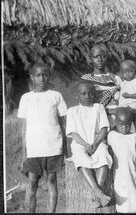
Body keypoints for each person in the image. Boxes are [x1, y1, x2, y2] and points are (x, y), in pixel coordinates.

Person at [18, 62, 68, 213]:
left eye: (45, 75)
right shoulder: (26, 98)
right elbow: (23, 129)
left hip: (53, 146)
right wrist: (23, 155)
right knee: (32, 183)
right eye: (38, 75)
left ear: (49, 76)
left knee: (52, 181)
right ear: (32, 77)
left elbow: (63, 124)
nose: (42, 78)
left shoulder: (55, 96)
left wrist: (65, 150)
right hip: (34, 149)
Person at [66, 80, 113, 208]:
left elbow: (104, 128)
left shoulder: (99, 108)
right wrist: (86, 145)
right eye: (83, 94)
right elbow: (73, 133)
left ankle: (96, 197)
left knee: (104, 155)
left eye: (91, 94)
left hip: (97, 142)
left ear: (95, 95)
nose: (87, 96)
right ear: (77, 96)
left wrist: (96, 143)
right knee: (80, 158)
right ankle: (98, 192)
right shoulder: (72, 111)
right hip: (80, 144)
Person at [107, 107, 136, 213]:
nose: (124, 127)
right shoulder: (111, 136)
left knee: (135, 201)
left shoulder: (135, 137)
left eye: (128, 124)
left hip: (133, 174)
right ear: (115, 123)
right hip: (118, 176)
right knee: (123, 203)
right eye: (121, 125)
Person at [81, 44, 122, 109]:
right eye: (96, 57)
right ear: (90, 59)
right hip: (95, 115)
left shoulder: (115, 79)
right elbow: (84, 105)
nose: (99, 60)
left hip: (114, 116)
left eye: (103, 56)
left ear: (107, 58)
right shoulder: (86, 80)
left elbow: (122, 101)